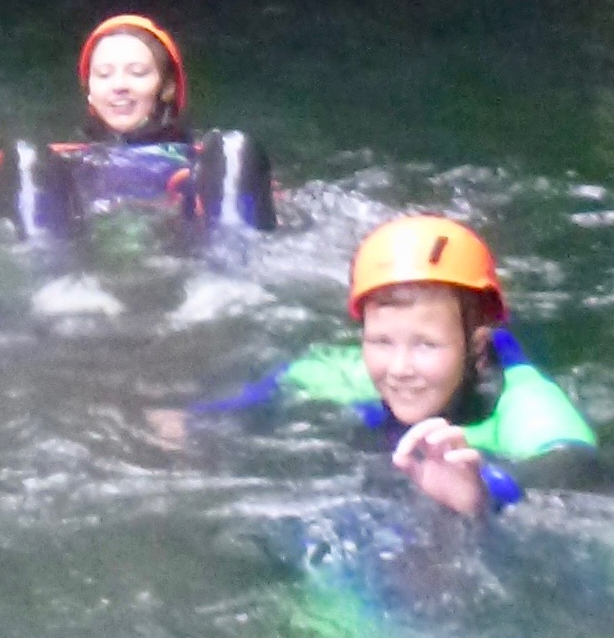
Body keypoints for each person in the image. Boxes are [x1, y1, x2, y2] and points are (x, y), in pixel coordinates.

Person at [180, 213, 592, 509]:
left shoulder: (530, 410)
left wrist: (486, 494)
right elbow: (282, 382)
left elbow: (570, 474)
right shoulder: (360, 373)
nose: (398, 369)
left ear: (477, 347)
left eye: (426, 346)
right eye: (380, 341)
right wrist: (193, 422)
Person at [0, 14, 275, 238]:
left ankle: (232, 271)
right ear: (90, 90)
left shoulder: (206, 162)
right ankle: (48, 280)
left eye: (137, 73)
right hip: (76, 248)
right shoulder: (65, 164)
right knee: (24, 155)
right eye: (104, 75)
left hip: (191, 246)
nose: (119, 86)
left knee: (235, 146)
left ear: (168, 87)